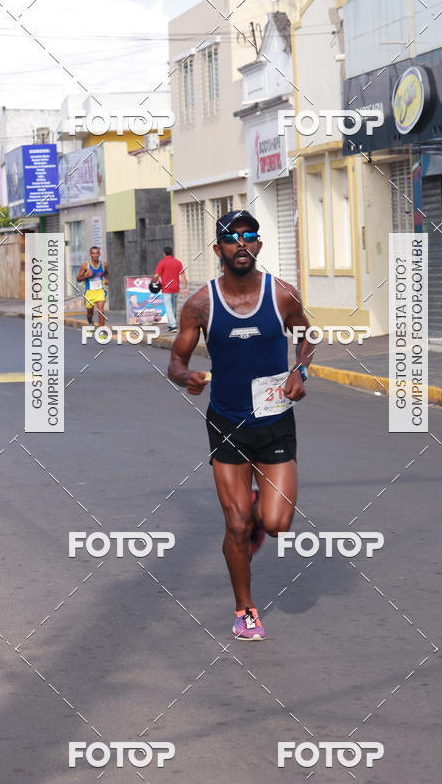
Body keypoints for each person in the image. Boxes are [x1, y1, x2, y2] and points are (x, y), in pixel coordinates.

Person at [168, 210, 313, 641]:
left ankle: (254, 508)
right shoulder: (200, 304)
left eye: (250, 236)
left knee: (276, 524)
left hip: (275, 423)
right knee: (235, 525)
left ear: (260, 246)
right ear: (219, 249)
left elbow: (307, 336)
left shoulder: (282, 295)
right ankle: (245, 610)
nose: (242, 243)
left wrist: (299, 373)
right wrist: (184, 377)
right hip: (228, 422)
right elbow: (176, 360)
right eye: (233, 238)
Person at [152, 245, 187, 333]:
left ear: (164, 254)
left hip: (166, 289)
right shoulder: (178, 262)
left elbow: (156, 276)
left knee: (168, 307)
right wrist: (185, 288)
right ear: (172, 253)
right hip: (176, 288)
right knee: (173, 307)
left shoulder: (162, 263)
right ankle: (170, 325)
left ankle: (173, 325)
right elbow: (183, 276)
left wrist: (153, 281)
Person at [77, 246, 108, 328]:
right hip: (89, 292)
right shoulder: (85, 266)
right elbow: (78, 279)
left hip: (100, 291)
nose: (95, 255)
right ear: (90, 254)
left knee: (101, 310)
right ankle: (90, 322)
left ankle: (102, 330)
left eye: (97, 253)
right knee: (90, 313)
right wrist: (86, 275)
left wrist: (107, 279)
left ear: (99, 254)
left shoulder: (104, 264)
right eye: (93, 253)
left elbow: (106, 273)